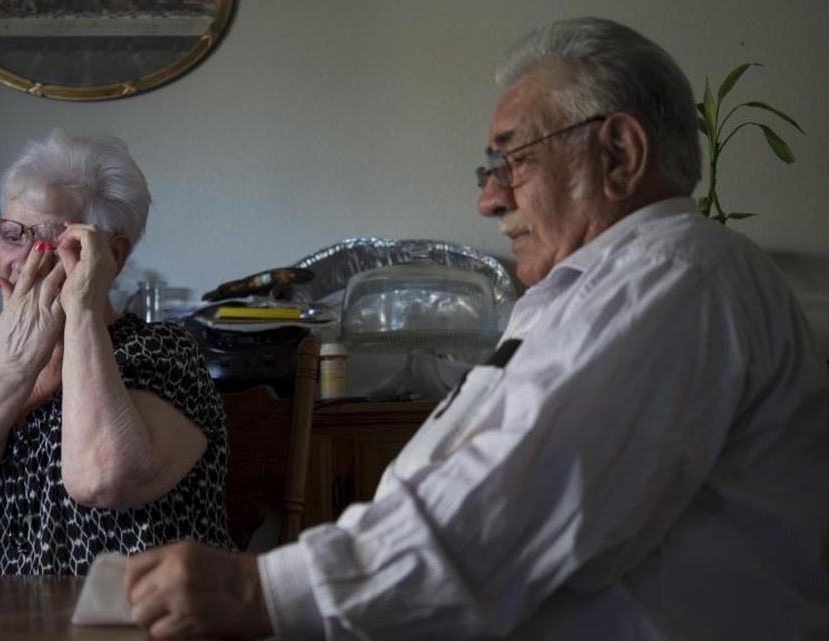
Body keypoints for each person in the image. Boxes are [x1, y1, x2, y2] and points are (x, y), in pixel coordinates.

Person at [123, 17, 829, 640]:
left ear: (617, 155)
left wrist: (260, 590)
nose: (489, 198)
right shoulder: (590, 293)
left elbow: (514, 511)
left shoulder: (680, 274)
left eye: (514, 158)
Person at [0, 132, 233, 575]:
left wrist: (84, 311)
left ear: (112, 254)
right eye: (12, 235)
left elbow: (102, 478)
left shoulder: (162, 354)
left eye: (54, 241)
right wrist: (12, 371)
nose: (25, 260)